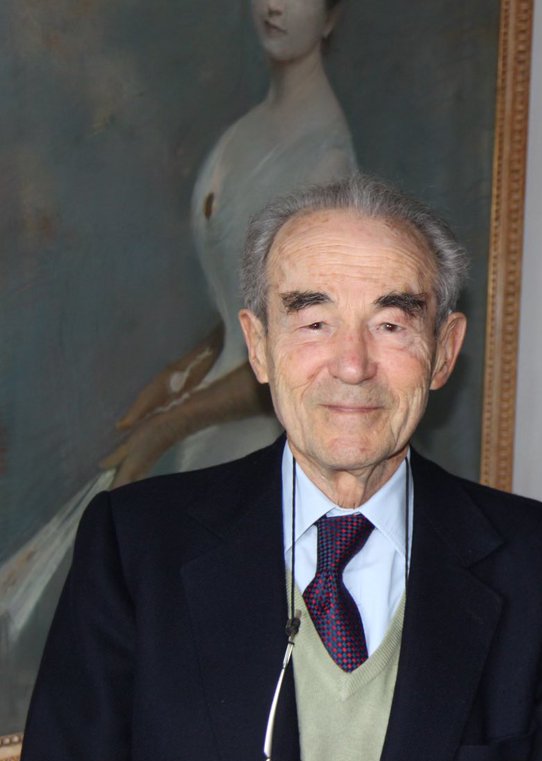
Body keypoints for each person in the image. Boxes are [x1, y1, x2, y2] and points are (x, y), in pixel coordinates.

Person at [20, 175, 542, 761]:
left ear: (444, 351)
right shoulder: (134, 551)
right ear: (259, 347)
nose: (352, 365)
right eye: (315, 322)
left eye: (390, 323)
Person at [104, 0, 358, 487]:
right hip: (210, 428)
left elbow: (299, 347)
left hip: (260, 443)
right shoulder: (248, 131)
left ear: (331, 17)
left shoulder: (325, 164)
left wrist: (170, 424)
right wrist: (184, 373)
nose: (274, 7)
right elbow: (247, 312)